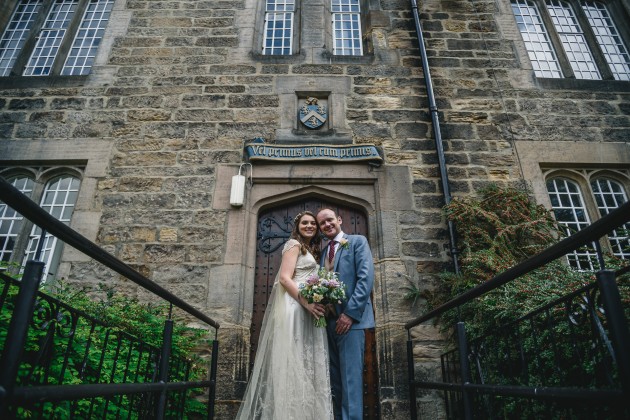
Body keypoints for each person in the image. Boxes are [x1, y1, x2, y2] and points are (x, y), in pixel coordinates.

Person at [236, 211, 334, 420]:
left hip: (309, 308)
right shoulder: (293, 245)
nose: (309, 226)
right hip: (296, 305)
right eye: (304, 223)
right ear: (297, 226)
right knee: (294, 358)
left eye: (312, 224)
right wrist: (307, 303)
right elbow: (284, 278)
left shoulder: (313, 250)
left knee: (307, 361)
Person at [316, 208, 375, 420]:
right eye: (322, 223)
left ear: (339, 220)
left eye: (330, 220)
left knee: (351, 381)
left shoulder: (357, 241)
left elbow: (365, 279)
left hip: (351, 322)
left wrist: (350, 314)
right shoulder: (324, 252)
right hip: (330, 323)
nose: (327, 225)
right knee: (336, 381)